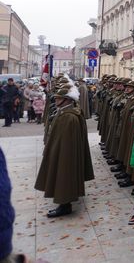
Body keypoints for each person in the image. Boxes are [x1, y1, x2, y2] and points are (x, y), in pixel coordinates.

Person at [34, 84, 95, 218]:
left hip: (65, 155)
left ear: (66, 100)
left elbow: (68, 142)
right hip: (60, 151)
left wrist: (61, 155)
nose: (56, 101)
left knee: (65, 177)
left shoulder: (69, 117)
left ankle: (65, 205)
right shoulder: (64, 113)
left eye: (58, 98)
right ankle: (63, 203)